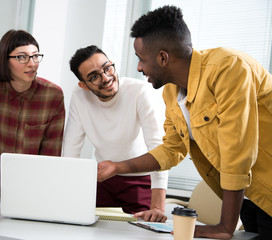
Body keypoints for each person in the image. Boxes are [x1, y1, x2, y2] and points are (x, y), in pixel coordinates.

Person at [97, 5, 272, 239]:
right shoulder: (172, 93)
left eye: (141, 59)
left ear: (163, 57)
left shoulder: (229, 68)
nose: (138, 67)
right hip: (251, 200)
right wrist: (118, 167)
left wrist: (225, 226)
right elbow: (172, 149)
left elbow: (237, 151)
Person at [63, 45, 168, 221]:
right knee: (81, 222)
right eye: (94, 77)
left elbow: (158, 148)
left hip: (140, 180)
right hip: (102, 180)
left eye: (107, 68)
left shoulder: (138, 91)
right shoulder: (79, 96)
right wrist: (66, 196)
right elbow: (71, 151)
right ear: (84, 85)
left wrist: (158, 206)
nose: (106, 78)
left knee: (141, 230)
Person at [0, 30, 65, 204]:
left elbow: (51, 154)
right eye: (22, 57)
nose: (32, 64)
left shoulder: (53, 95)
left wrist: (42, 193)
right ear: (5, 60)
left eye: (35, 56)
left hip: (32, 193)